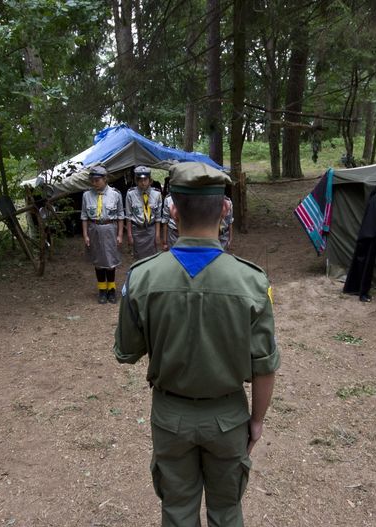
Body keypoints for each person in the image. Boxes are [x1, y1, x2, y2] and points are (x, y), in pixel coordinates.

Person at [114, 161, 280, 527]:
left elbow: (126, 351)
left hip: (171, 418)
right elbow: (264, 366)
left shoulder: (142, 278)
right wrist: (256, 421)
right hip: (228, 418)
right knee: (226, 511)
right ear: (224, 210)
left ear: (172, 211)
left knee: (177, 511)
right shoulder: (251, 282)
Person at [81, 166, 124, 304]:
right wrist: (85, 235)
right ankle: (102, 290)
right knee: (98, 261)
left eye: (97, 180)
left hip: (110, 228)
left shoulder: (115, 194)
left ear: (105, 179)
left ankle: (111, 289)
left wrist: (120, 235)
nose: (94, 183)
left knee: (111, 261)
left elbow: (120, 215)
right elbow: (84, 217)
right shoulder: (87, 195)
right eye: (92, 180)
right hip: (94, 228)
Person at [125, 166, 162, 260]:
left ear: (150, 180)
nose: (143, 182)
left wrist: (157, 235)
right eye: (140, 179)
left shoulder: (157, 194)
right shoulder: (131, 194)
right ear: (136, 180)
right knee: (138, 258)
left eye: (145, 179)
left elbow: (158, 217)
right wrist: (129, 235)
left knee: (152, 258)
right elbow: (128, 216)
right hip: (137, 231)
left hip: (151, 230)